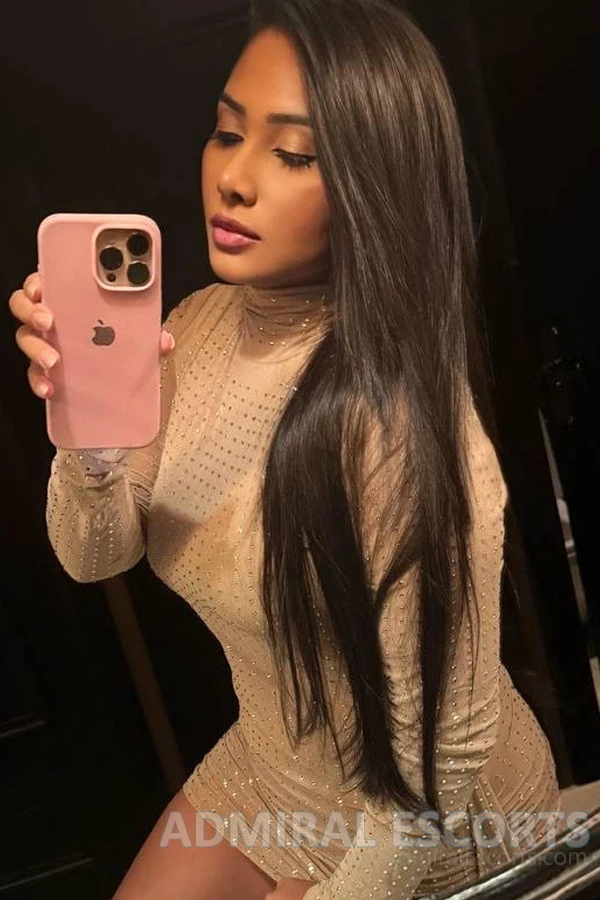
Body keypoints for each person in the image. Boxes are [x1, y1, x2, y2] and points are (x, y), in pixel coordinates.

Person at [9, 1, 565, 898]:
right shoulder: (191, 328)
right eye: (227, 133)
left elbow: (442, 764)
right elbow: (91, 555)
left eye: (294, 155)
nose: (233, 178)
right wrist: (90, 436)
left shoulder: (397, 430)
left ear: (371, 186)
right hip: (271, 769)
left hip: (434, 817)